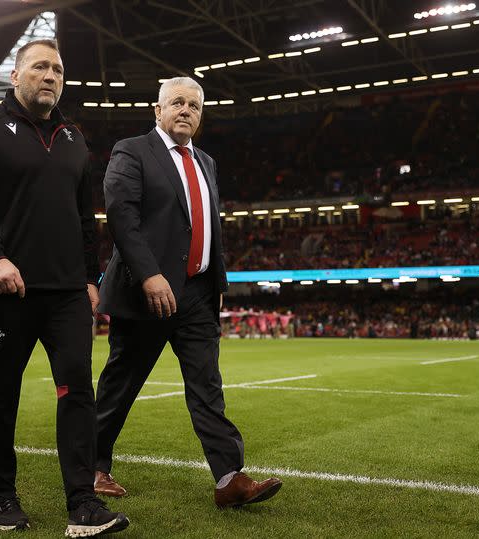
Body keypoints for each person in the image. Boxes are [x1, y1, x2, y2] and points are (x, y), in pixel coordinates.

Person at [0, 38, 128, 537]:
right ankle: (2, 495)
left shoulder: (73, 137)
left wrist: (91, 279)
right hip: (6, 291)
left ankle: (83, 504)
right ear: (16, 76)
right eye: (41, 67)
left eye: (58, 70)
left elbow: (84, 219)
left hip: (68, 292)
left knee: (77, 393)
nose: (51, 76)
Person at [94, 77, 282, 508]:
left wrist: (217, 282)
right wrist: (148, 274)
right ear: (156, 110)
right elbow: (122, 217)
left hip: (197, 294)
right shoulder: (132, 150)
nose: (185, 110)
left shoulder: (206, 162)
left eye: (194, 105)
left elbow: (208, 225)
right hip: (147, 292)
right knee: (121, 384)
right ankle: (92, 466)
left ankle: (229, 478)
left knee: (206, 385)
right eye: (176, 102)